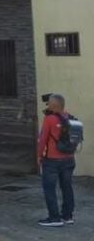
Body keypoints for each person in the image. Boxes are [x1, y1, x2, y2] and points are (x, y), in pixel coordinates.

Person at [37, 93, 76, 227]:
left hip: (52, 161)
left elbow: (42, 140)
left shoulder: (49, 119)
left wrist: (39, 156)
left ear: (53, 105)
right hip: (69, 159)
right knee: (67, 187)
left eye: (48, 104)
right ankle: (67, 216)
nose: (47, 106)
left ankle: (54, 218)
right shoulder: (69, 117)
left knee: (50, 189)